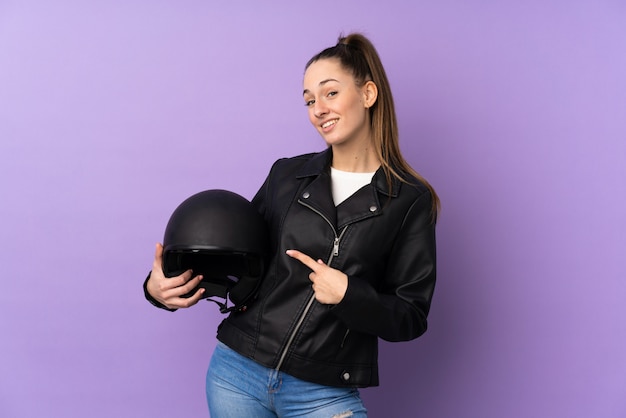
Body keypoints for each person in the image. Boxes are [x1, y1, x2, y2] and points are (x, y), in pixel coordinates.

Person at [144, 32, 439, 417]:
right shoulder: (287, 176)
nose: (318, 109)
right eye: (309, 100)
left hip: (324, 394)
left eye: (330, 93)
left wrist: (350, 294)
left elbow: (411, 316)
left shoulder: (409, 200)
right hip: (237, 375)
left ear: (368, 94)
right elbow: (238, 259)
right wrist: (158, 289)